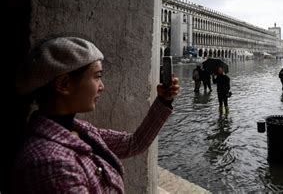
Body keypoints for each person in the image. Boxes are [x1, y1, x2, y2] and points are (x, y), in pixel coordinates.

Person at [12, 36, 179, 193]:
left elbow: (133, 143)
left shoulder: (81, 129)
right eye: (97, 76)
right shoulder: (50, 165)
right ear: (64, 84)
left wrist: (163, 101)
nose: (102, 86)